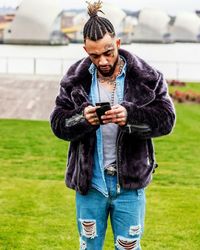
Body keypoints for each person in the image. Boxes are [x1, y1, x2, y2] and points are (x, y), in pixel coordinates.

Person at [50, 1, 176, 249]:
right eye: (95, 55)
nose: (103, 60)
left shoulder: (148, 76)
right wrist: (82, 119)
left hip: (130, 185)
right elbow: (58, 123)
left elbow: (166, 120)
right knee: (88, 247)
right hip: (90, 185)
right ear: (86, 50)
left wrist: (131, 117)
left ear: (118, 43)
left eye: (108, 52)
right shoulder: (74, 79)